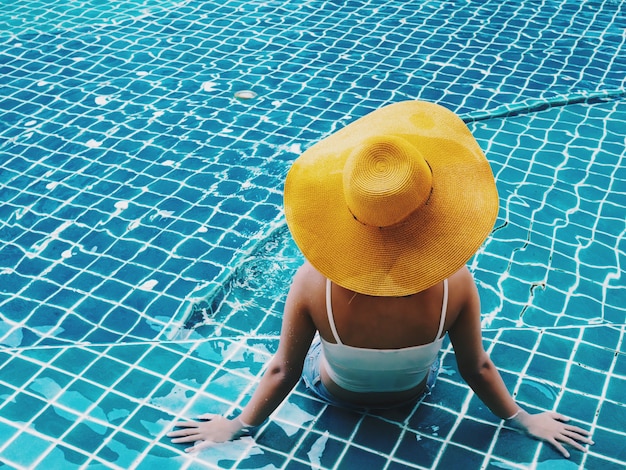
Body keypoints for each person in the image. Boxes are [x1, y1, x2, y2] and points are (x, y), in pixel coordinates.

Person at [168, 100, 593, 459]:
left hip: (333, 392)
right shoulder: (457, 282)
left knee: (315, 343)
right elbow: (476, 366)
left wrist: (239, 425)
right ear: (436, 209)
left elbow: (284, 370)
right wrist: (522, 419)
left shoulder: (313, 281)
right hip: (412, 392)